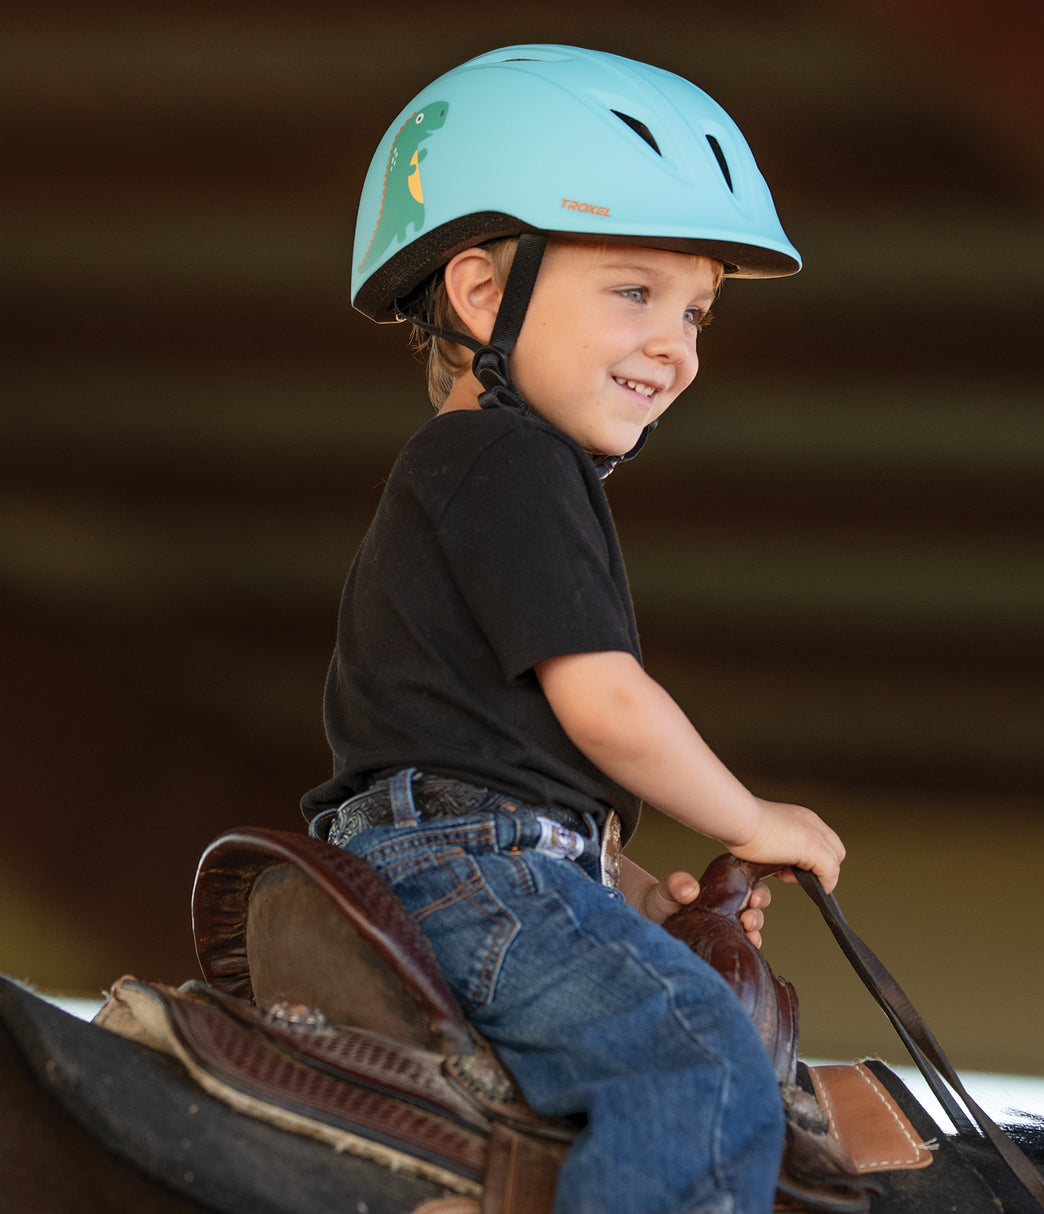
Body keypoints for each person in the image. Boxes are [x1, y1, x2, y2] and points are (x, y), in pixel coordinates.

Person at [302, 44, 846, 1214]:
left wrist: (633, 887)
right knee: (701, 1068)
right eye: (634, 292)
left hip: (469, 859)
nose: (676, 344)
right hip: (464, 873)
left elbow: (484, 758)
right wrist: (751, 815)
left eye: (696, 310)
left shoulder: (485, 474)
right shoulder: (508, 457)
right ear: (482, 294)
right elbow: (601, 703)